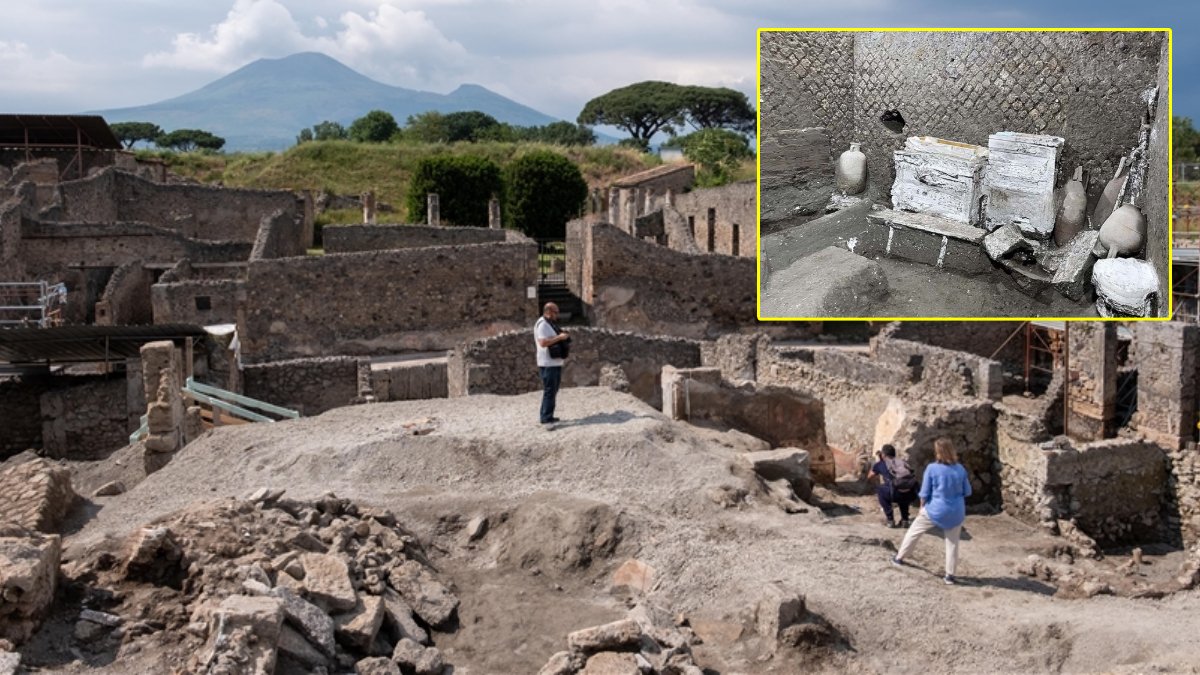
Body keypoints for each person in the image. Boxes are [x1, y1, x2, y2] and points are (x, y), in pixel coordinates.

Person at [891, 437, 972, 585]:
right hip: (957, 511)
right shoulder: (960, 469)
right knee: (952, 544)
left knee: (914, 531)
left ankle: (900, 557)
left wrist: (923, 508)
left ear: (938, 452)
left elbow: (924, 492)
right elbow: (967, 491)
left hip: (936, 509)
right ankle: (950, 576)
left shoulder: (932, 468)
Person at [534, 302, 570, 424]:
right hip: (548, 363)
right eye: (555, 312)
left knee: (552, 390)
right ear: (548, 311)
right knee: (550, 390)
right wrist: (560, 338)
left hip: (553, 363)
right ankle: (545, 417)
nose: (557, 314)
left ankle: (548, 415)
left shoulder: (549, 324)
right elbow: (543, 343)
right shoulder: (542, 324)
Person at [866, 444, 917, 528]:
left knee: (881, 490)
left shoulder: (881, 464)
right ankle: (905, 520)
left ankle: (890, 520)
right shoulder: (903, 462)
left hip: (894, 493)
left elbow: (869, 476)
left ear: (883, 455)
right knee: (903, 491)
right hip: (911, 493)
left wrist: (875, 468)